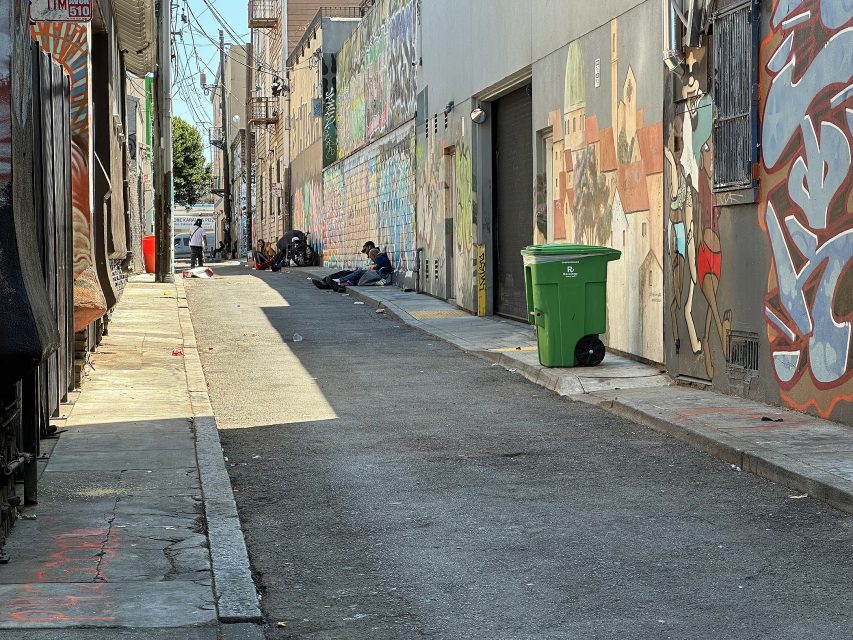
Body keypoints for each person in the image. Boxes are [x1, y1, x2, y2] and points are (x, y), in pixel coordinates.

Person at [311, 241, 376, 290]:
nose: (366, 253)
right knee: (344, 272)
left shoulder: (375, 255)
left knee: (345, 273)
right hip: (361, 272)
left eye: (366, 250)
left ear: (370, 247)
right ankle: (325, 282)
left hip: (365, 274)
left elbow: (373, 268)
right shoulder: (370, 256)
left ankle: (327, 283)